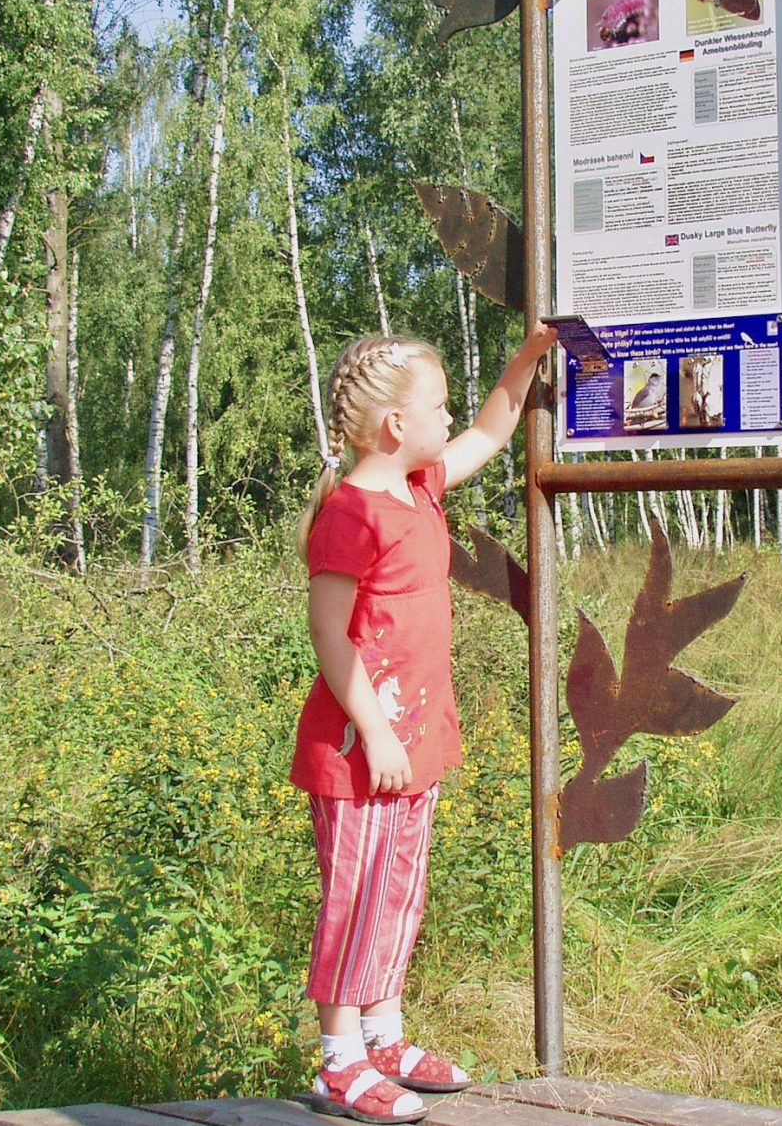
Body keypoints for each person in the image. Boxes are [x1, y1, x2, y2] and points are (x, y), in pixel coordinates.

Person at [293, 328, 556, 1123]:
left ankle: (383, 1037)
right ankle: (338, 1061)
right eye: (436, 407)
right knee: (354, 897)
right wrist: (373, 731)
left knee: (399, 897)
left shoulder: (423, 487)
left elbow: (492, 429)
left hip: (417, 745)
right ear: (396, 427)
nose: (450, 419)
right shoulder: (351, 511)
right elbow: (329, 633)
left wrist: (529, 357)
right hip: (358, 752)